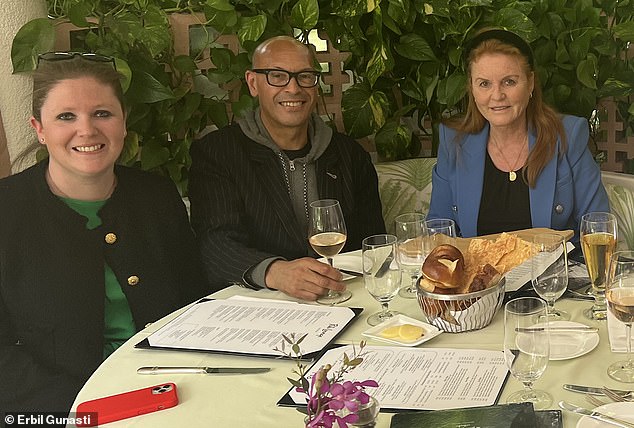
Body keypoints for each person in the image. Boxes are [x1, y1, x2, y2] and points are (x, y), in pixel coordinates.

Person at [0, 53, 210, 412]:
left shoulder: (157, 195)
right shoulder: (7, 210)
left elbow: (194, 301)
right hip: (57, 408)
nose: (87, 130)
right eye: (66, 116)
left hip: (173, 393)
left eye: (102, 113)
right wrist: (86, 407)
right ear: (39, 128)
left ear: (123, 123)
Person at [188, 36, 385, 301]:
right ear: (253, 83)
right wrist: (274, 271)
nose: (293, 89)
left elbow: (373, 244)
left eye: (305, 76)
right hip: (260, 305)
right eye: (277, 76)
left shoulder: (349, 154)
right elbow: (215, 245)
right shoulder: (219, 153)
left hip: (344, 299)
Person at [427, 29, 609, 240]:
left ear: (530, 83)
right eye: (484, 83)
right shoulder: (453, 141)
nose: (497, 95)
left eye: (509, 82)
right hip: (477, 272)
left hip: (552, 272)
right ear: (472, 89)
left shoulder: (567, 136)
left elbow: (599, 228)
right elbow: (438, 233)